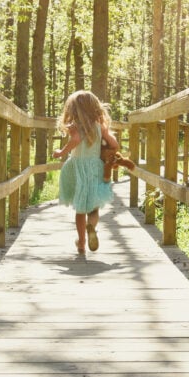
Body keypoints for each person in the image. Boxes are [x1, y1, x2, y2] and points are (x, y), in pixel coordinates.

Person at [53, 90, 119, 254]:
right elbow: (115, 144)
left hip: (77, 167)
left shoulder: (75, 127)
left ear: (73, 109)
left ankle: (81, 242)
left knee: (80, 208)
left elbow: (75, 141)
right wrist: (107, 141)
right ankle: (92, 227)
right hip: (95, 168)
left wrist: (61, 152)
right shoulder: (99, 127)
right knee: (94, 207)